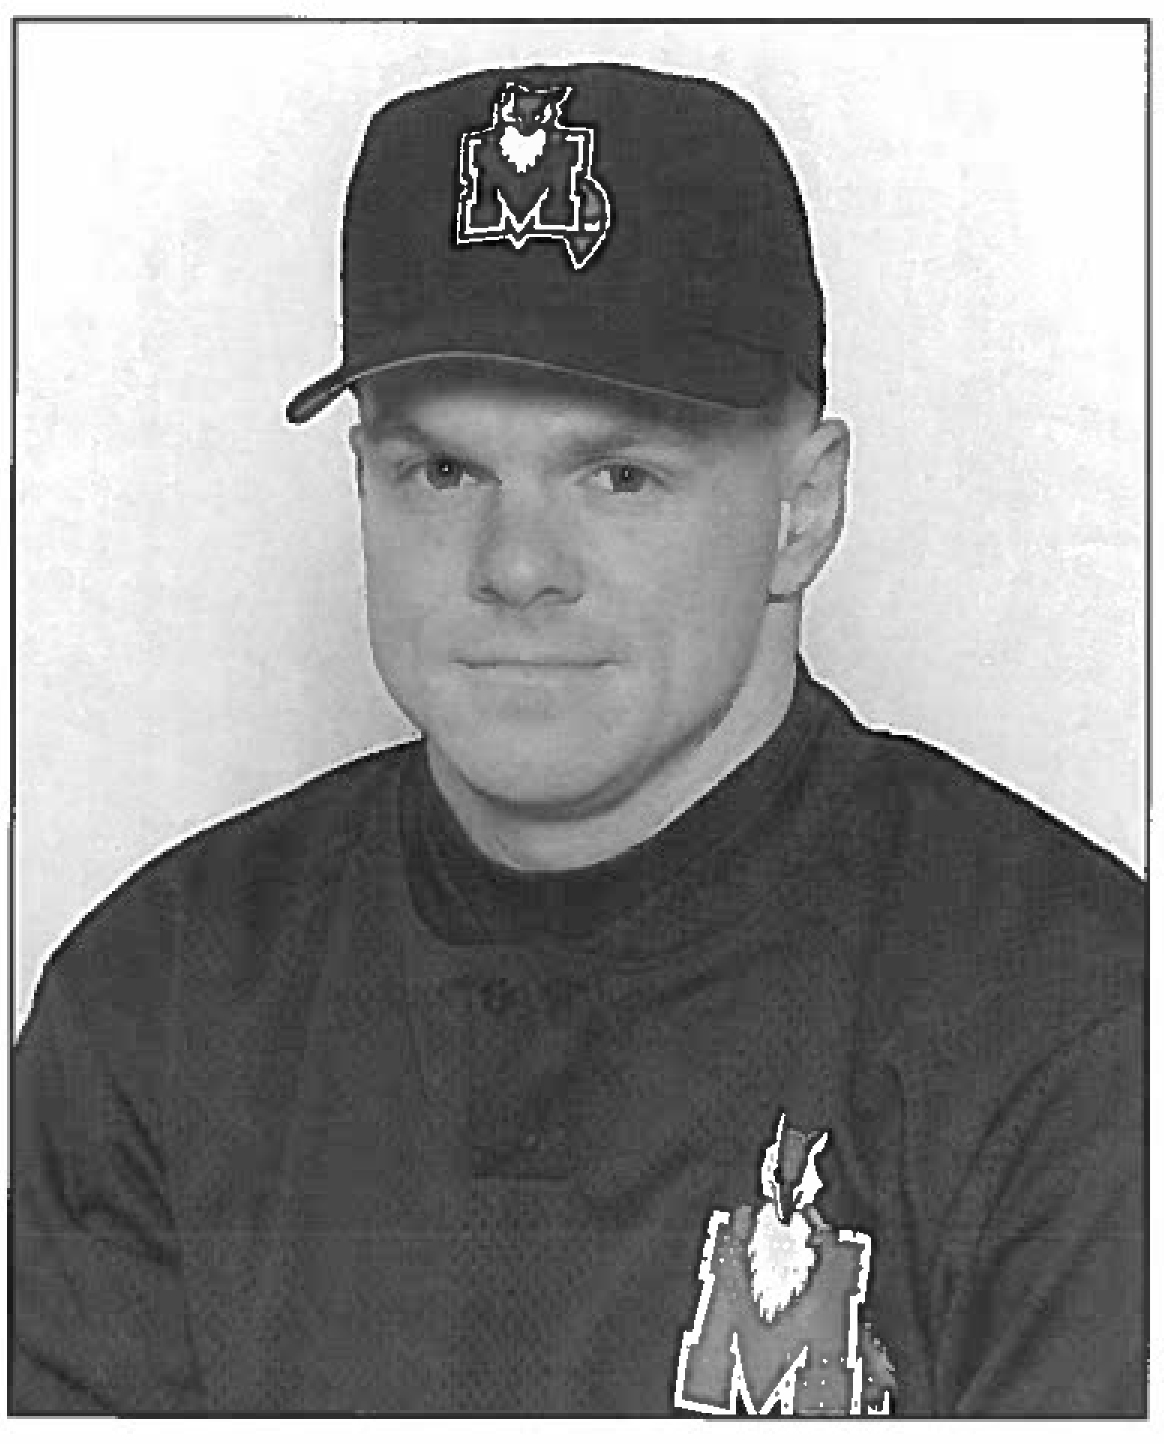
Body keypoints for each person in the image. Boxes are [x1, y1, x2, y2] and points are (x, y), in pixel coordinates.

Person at [11, 61, 1144, 1417]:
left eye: (620, 475)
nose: (516, 565)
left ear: (802, 510)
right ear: (363, 483)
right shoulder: (161, 996)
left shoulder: (1077, 1020)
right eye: (443, 471)